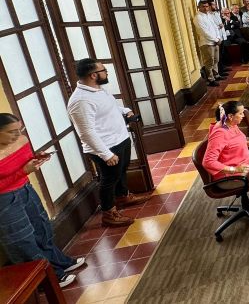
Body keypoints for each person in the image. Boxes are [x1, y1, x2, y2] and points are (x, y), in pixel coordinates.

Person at [0, 114, 85, 287]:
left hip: (26, 189)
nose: (17, 135)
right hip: (5, 200)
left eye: (19, 129)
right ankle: (49, 279)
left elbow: (23, 162)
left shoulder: (22, 140)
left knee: (42, 229)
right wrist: (24, 171)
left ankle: (59, 263)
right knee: (22, 240)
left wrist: (36, 158)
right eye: (11, 132)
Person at [67, 58, 152, 227]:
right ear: (93, 75)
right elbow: (86, 132)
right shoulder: (81, 101)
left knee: (121, 171)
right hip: (106, 146)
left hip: (119, 139)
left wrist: (125, 111)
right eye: (103, 70)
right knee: (109, 179)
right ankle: (108, 213)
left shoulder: (98, 89)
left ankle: (123, 196)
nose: (106, 73)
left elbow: (109, 107)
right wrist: (106, 154)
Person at [202, 101, 249, 181]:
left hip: (242, 160)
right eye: (240, 113)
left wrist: (245, 143)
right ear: (230, 116)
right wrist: (234, 169)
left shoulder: (231, 124)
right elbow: (208, 162)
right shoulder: (220, 134)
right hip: (230, 174)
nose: (243, 116)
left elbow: (230, 143)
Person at [194, 0, 224, 86]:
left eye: (207, 6)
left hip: (215, 41)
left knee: (216, 60)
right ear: (198, 7)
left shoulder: (209, 15)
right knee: (209, 61)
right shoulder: (198, 18)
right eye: (203, 6)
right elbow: (204, 32)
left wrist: (218, 37)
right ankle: (211, 79)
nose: (205, 8)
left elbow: (215, 27)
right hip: (206, 43)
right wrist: (215, 39)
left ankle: (216, 75)